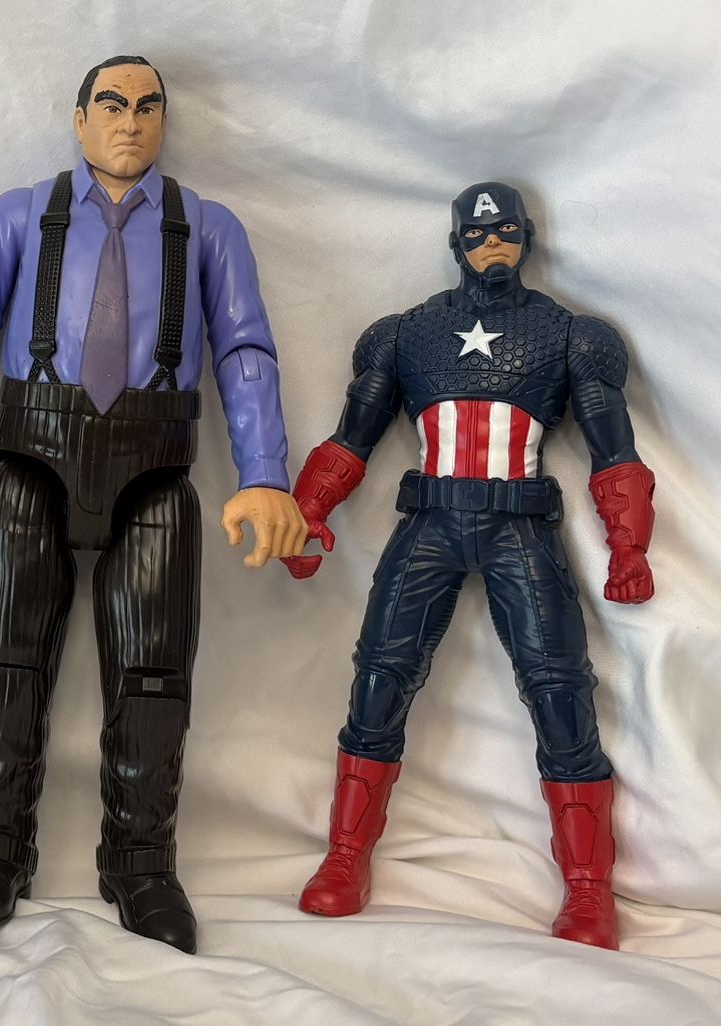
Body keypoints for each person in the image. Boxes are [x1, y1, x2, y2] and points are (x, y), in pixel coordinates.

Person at [0, 55, 305, 953]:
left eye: (148, 106)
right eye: (111, 105)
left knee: (155, 676)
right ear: (79, 118)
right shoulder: (17, 216)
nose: (130, 121)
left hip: (156, 464)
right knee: (6, 663)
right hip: (29, 458)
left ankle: (142, 861)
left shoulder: (209, 227)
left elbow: (244, 349)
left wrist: (264, 473)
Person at [284, 181, 655, 950]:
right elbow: (352, 437)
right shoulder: (406, 334)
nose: (494, 244)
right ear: (457, 242)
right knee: (379, 680)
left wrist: (629, 545)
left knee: (560, 692)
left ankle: (589, 889)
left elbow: (614, 450)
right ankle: (345, 857)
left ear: (528, 237)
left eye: (507, 231)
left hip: (522, 526)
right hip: (431, 523)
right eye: (480, 234)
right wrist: (308, 512)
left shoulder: (568, 335)